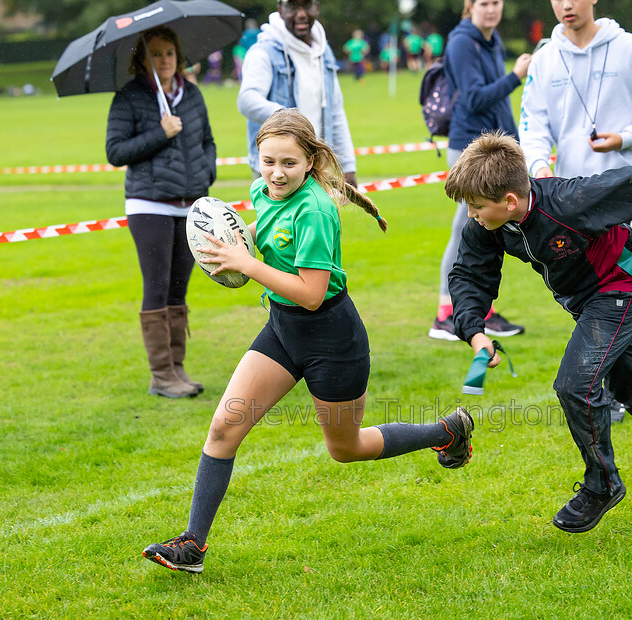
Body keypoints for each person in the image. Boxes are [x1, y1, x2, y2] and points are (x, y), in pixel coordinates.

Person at [141, 109, 475, 573]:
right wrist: (231, 238)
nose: (276, 174)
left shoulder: (316, 210)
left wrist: (248, 263)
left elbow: (312, 294)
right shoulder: (263, 190)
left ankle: (446, 432)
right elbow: (269, 234)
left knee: (346, 448)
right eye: (268, 161)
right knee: (223, 428)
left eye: (289, 164)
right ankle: (192, 546)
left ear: (310, 162)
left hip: (331, 340)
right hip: (283, 328)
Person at [446, 132, 632, 533]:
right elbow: (469, 273)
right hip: (587, 300)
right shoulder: (489, 223)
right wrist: (475, 332)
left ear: (510, 202)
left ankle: (601, 484)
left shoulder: (569, 201)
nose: (473, 215)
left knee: (575, 385)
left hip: (623, 282)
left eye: (477, 207)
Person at [519, 0, 632, 423]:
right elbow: (531, 122)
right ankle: (620, 389)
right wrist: (539, 169)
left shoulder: (631, 48)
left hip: (623, 191)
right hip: (566, 200)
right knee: (595, 292)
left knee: (616, 285)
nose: (566, 5)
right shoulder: (545, 58)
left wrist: (624, 138)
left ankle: (608, 388)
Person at [105, 27, 216, 399]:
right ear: (142, 59)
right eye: (155, 54)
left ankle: (177, 369)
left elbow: (207, 141)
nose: (164, 60)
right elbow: (116, 152)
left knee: (179, 288)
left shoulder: (192, 94)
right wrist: (160, 132)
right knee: (156, 287)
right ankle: (161, 375)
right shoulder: (129, 97)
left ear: (178, 56)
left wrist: (207, 170)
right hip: (149, 204)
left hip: (191, 206)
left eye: (169, 53)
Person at [429, 0, 531, 342]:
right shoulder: (461, 42)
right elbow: (474, 99)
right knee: (465, 228)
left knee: (484, 231)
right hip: (468, 149)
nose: (491, 9)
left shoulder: (491, 39)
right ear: (469, 6)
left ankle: (479, 310)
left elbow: (498, 103)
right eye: (484, 3)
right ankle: (447, 312)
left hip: (493, 148)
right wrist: (515, 76)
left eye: (497, 2)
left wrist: (516, 145)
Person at [237, 0, 358, 188]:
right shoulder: (263, 51)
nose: (301, 14)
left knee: (319, 218)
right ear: (280, 10)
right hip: (278, 169)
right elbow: (246, 100)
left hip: (315, 164)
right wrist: (286, 117)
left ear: (317, 7)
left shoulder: (323, 51)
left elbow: (336, 111)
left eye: (307, 5)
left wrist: (347, 166)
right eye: (293, 6)